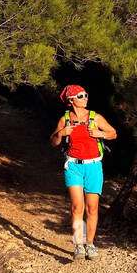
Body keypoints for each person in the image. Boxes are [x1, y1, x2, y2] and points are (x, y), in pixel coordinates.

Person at [49, 85, 117, 261]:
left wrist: (100, 133)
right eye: (80, 96)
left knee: (92, 208)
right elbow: (53, 142)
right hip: (74, 166)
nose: (85, 97)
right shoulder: (65, 119)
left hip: (94, 166)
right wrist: (62, 133)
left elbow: (113, 133)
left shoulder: (94, 117)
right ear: (71, 100)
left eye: (86, 94)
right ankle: (79, 245)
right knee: (77, 207)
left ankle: (90, 245)